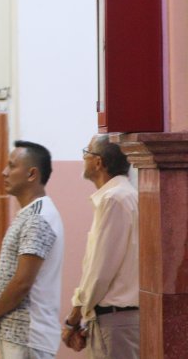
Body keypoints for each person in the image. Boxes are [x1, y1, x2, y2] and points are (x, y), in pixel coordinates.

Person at [0, 140, 64, 359]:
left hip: (27, 336)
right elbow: (13, 274)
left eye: (12, 165)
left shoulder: (39, 217)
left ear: (31, 174)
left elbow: (23, 281)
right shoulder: (28, 213)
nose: (4, 172)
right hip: (16, 335)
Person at [61, 134, 139, 357]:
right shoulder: (125, 195)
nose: (83, 158)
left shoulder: (114, 199)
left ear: (98, 162)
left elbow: (99, 273)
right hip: (116, 318)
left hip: (115, 322)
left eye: (86, 152)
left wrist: (73, 319)